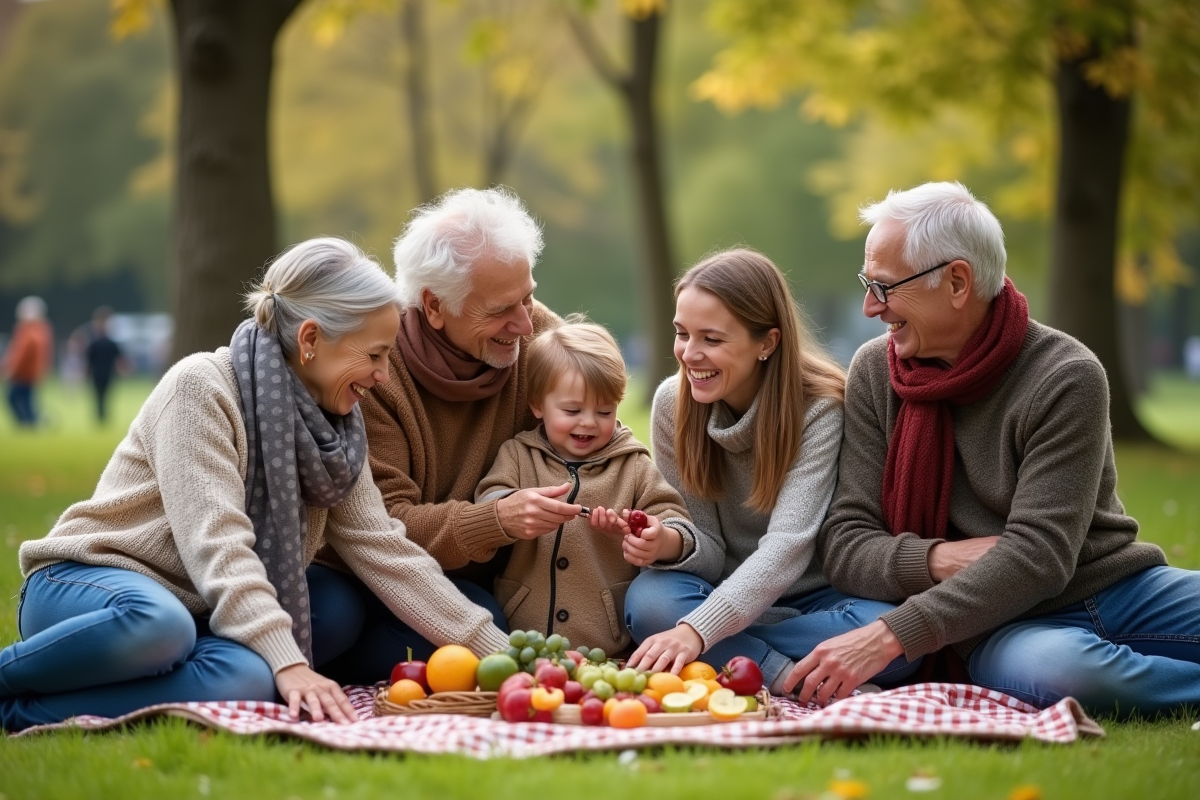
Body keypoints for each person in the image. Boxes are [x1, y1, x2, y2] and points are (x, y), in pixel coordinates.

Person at [0, 237, 509, 733]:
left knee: (251, 672)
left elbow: (385, 550)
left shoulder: (335, 429)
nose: (382, 375)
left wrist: (501, 655)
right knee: (163, 630)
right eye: (374, 355)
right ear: (310, 339)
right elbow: (217, 545)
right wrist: (289, 663)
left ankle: (28, 710)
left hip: (191, 606)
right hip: (91, 584)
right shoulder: (201, 387)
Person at [792, 181, 1200, 716]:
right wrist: (935, 559)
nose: (871, 307)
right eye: (868, 284)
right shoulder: (875, 372)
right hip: (993, 627)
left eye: (885, 287)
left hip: (1116, 586)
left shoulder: (1064, 375)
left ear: (957, 282)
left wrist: (889, 636)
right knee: (1061, 672)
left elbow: (1038, 557)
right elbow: (846, 541)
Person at [623, 248, 920, 696]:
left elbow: (788, 546)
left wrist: (697, 632)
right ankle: (790, 678)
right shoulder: (673, 404)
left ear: (768, 342)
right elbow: (707, 550)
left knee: (884, 635)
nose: (690, 354)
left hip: (819, 602)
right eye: (682, 334)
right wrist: (668, 544)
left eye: (712, 339)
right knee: (649, 602)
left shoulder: (820, 408)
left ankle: (729, 654)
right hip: (719, 592)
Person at [327, 187, 565, 683]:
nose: (524, 324)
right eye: (502, 309)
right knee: (334, 620)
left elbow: (602, 423)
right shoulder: (375, 369)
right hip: (359, 572)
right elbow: (381, 525)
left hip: (464, 583)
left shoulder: (538, 335)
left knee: (484, 629)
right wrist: (492, 520)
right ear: (434, 306)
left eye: (529, 296)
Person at [475, 317, 699, 655]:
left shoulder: (633, 464)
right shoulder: (518, 455)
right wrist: (515, 505)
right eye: (572, 409)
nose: (589, 422)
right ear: (538, 405)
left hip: (609, 644)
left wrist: (659, 538)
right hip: (526, 635)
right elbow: (489, 501)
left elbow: (673, 518)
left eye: (604, 411)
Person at [3, 296, 53, 428]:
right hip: (32, 372)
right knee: (27, 400)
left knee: (14, 398)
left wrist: (11, 370)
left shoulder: (28, 331)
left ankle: (28, 423)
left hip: (23, 373)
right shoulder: (42, 330)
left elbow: (20, 354)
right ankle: (32, 422)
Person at [84, 306, 127, 424]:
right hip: (100, 373)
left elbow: (119, 359)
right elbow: (89, 360)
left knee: (103, 396)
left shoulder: (104, 343)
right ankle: (101, 416)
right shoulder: (97, 344)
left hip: (106, 373)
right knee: (99, 396)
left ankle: (102, 416)